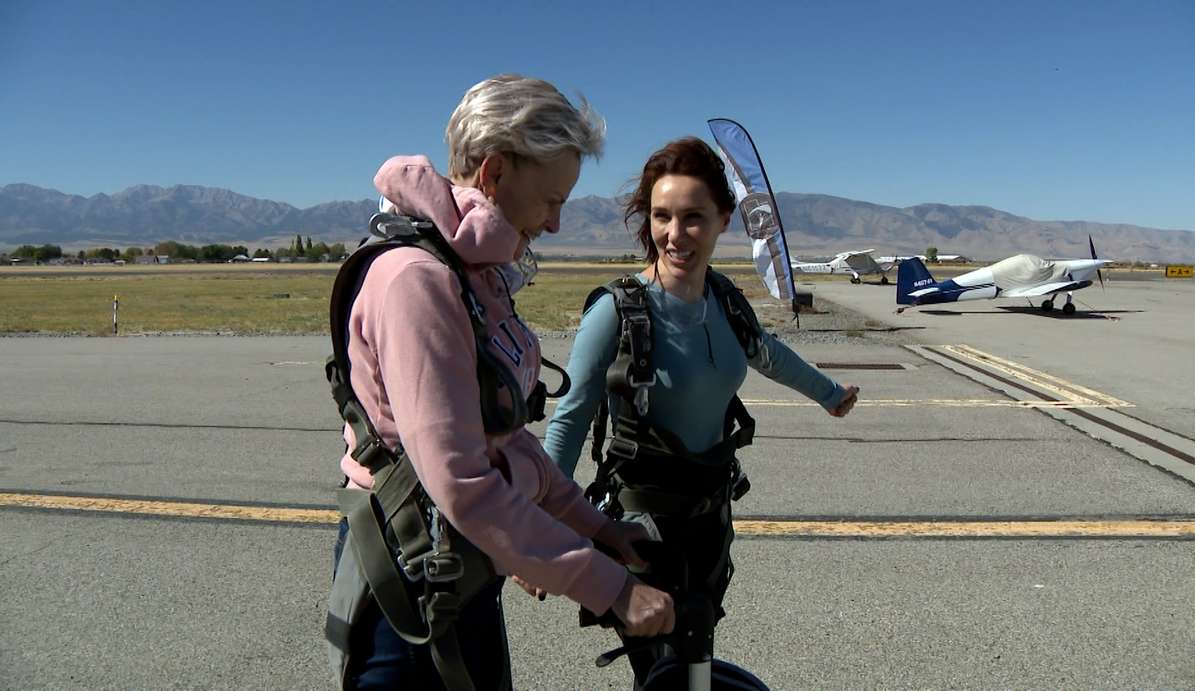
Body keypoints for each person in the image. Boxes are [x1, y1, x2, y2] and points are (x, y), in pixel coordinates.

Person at [325, 75, 674, 690]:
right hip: (406, 589)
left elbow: (506, 442)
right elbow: (462, 483)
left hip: (456, 571)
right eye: (551, 200)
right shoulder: (418, 281)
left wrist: (595, 528)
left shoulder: (472, 274)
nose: (556, 223)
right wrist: (612, 590)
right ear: (492, 174)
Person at [543, 136, 859, 685]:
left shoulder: (727, 302)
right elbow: (570, 418)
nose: (674, 234)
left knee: (695, 657)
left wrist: (830, 395)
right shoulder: (616, 311)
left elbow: (767, 354)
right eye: (662, 216)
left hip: (710, 521)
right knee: (664, 667)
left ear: (723, 219)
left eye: (693, 217)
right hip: (643, 529)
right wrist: (541, 531)